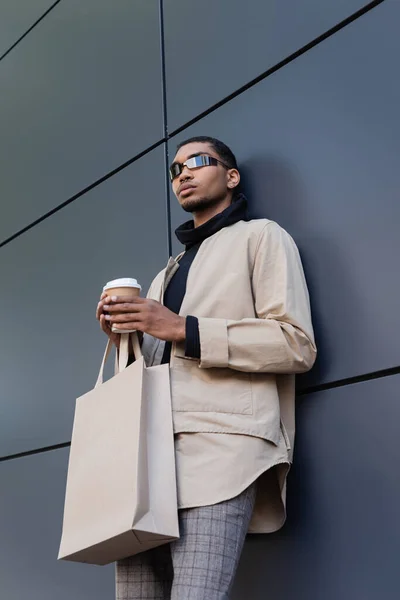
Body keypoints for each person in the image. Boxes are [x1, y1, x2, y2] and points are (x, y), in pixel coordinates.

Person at [96, 136, 316, 600]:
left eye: (198, 162)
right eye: (175, 169)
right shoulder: (166, 273)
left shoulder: (262, 237)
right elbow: (159, 367)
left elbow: (296, 345)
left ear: (231, 176)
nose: (184, 174)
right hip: (148, 464)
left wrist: (183, 328)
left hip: (222, 456)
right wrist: (124, 338)